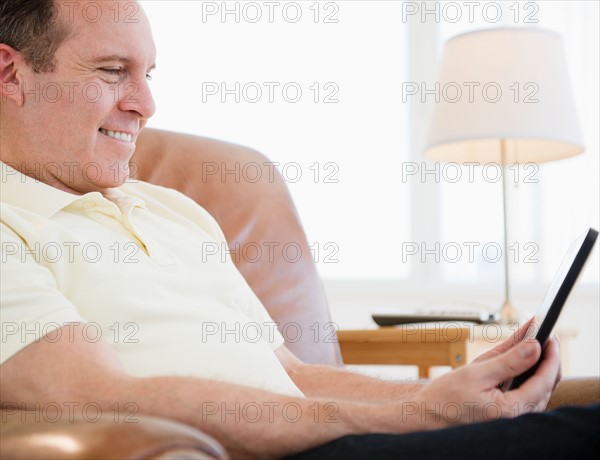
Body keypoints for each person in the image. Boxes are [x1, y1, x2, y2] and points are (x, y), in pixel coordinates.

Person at [0, 1, 597, 459]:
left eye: (149, 72)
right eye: (112, 70)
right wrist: (414, 418)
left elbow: (289, 374)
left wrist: (441, 396)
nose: (147, 102)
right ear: (11, 74)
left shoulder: (171, 209)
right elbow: (94, 394)